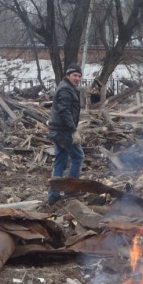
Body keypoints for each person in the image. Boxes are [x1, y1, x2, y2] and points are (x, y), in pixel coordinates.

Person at [47, 63, 85, 205]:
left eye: (79, 76)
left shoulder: (68, 88)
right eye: (75, 75)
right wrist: (73, 130)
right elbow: (64, 111)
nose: (77, 78)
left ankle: (53, 195)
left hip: (57, 130)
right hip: (63, 131)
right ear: (68, 75)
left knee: (61, 161)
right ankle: (71, 189)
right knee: (78, 156)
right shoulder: (65, 90)